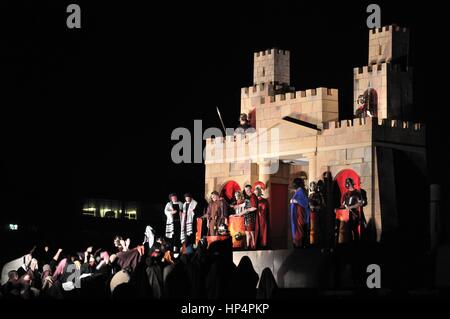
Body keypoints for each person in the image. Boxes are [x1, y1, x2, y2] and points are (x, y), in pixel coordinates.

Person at [341, 178, 363, 243]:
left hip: (354, 214)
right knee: (348, 230)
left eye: (349, 182)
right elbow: (343, 205)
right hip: (346, 215)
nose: (348, 184)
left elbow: (360, 203)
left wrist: (351, 207)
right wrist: (339, 209)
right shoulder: (345, 194)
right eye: (347, 183)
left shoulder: (357, 193)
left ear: (352, 183)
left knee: (354, 229)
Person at [290, 178, 310, 248]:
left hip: (299, 214)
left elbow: (305, 202)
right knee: (296, 228)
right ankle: (297, 243)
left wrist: (295, 201)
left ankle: (299, 244)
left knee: (299, 229)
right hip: (297, 214)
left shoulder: (301, 191)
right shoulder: (298, 191)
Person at [308, 181, 324, 246]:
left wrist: (314, 207)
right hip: (311, 214)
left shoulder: (319, 194)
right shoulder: (310, 195)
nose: (313, 187)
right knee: (311, 230)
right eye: (311, 186)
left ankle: (317, 243)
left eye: (314, 186)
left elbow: (322, 205)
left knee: (317, 229)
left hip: (317, 214)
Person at [243, 185, 258, 249]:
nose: (246, 191)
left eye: (248, 190)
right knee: (246, 232)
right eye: (246, 190)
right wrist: (237, 206)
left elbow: (254, 207)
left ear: (251, 189)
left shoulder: (253, 196)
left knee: (251, 231)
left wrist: (247, 210)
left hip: (251, 216)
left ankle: (254, 245)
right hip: (246, 216)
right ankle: (248, 245)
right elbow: (245, 204)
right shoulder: (247, 196)